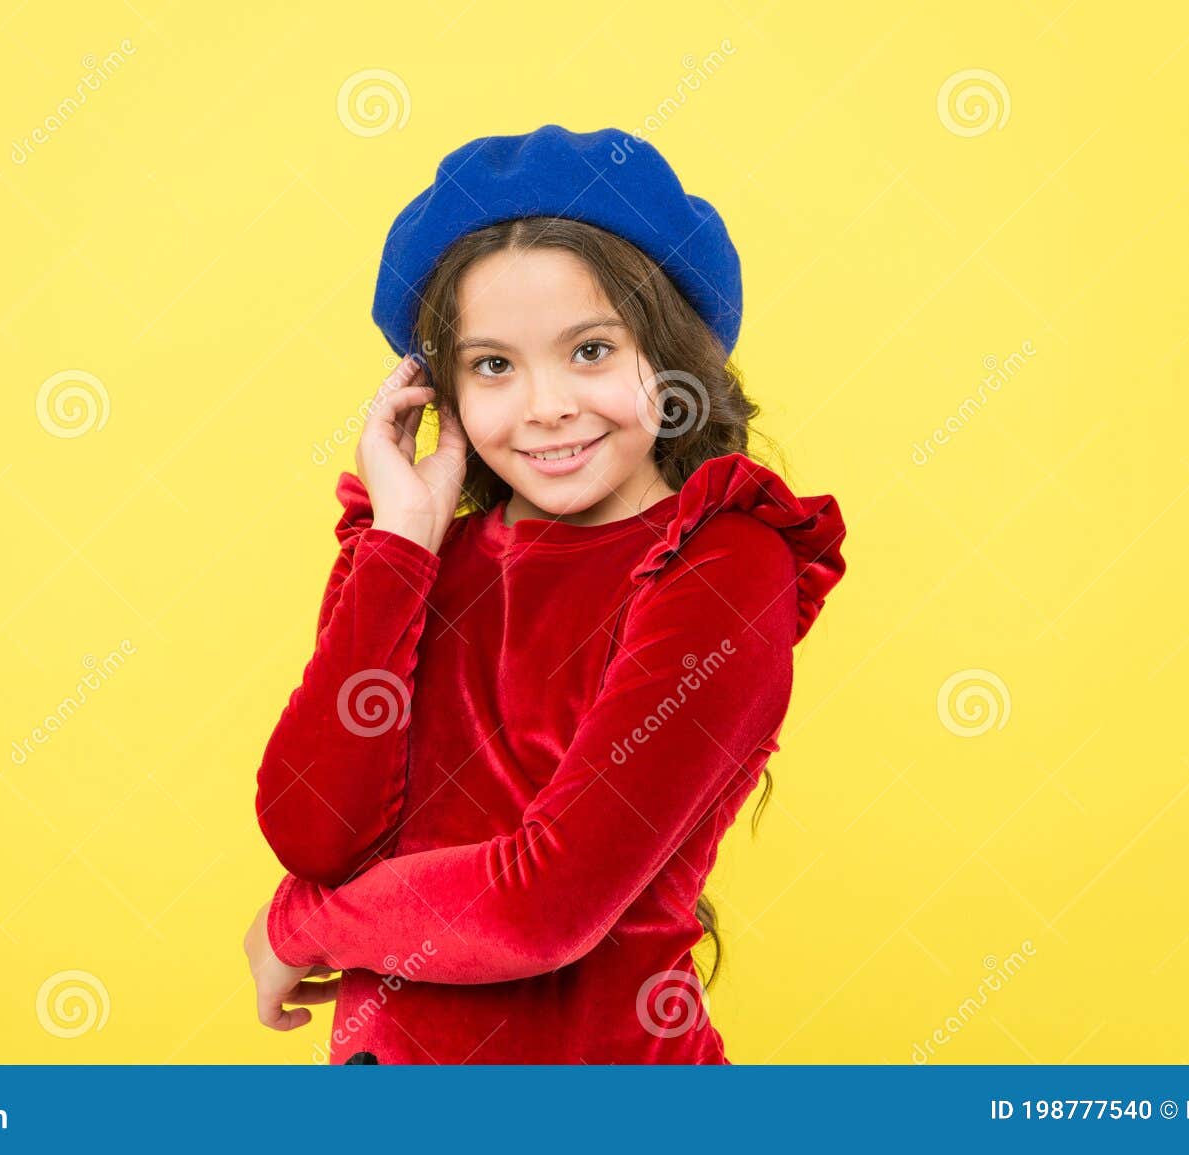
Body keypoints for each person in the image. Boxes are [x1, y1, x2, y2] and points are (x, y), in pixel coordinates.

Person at [243, 124, 848, 1063]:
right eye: (494, 365)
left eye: (592, 351)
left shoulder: (722, 563)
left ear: (671, 356)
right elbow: (312, 826)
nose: (546, 405)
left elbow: (544, 906)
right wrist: (402, 546)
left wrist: (300, 927)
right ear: (438, 389)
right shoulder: (413, 553)